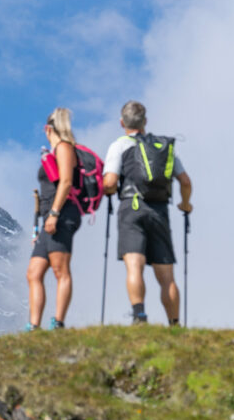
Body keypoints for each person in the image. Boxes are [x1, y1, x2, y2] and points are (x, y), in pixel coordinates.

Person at [102, 101, 193, 325]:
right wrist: (185, 203)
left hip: (131, 208)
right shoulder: (162, 147)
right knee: (166, 275)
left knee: (134, 265)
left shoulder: (119, 145)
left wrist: (108, 189)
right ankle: (174, 324)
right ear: (145, 122)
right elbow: (185, 181)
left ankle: (139, 315)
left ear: (122, 122)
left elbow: (110, 182)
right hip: (159, 210)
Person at [25, 107, 80, 331]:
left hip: (62, 215)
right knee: (33, 272)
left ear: (48, 129)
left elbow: (66, 182)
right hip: (48, 216)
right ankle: (33, 325)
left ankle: (58, 322)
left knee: (60, 270)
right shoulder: (53, 151)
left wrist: (55, 213)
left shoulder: (65, 149)